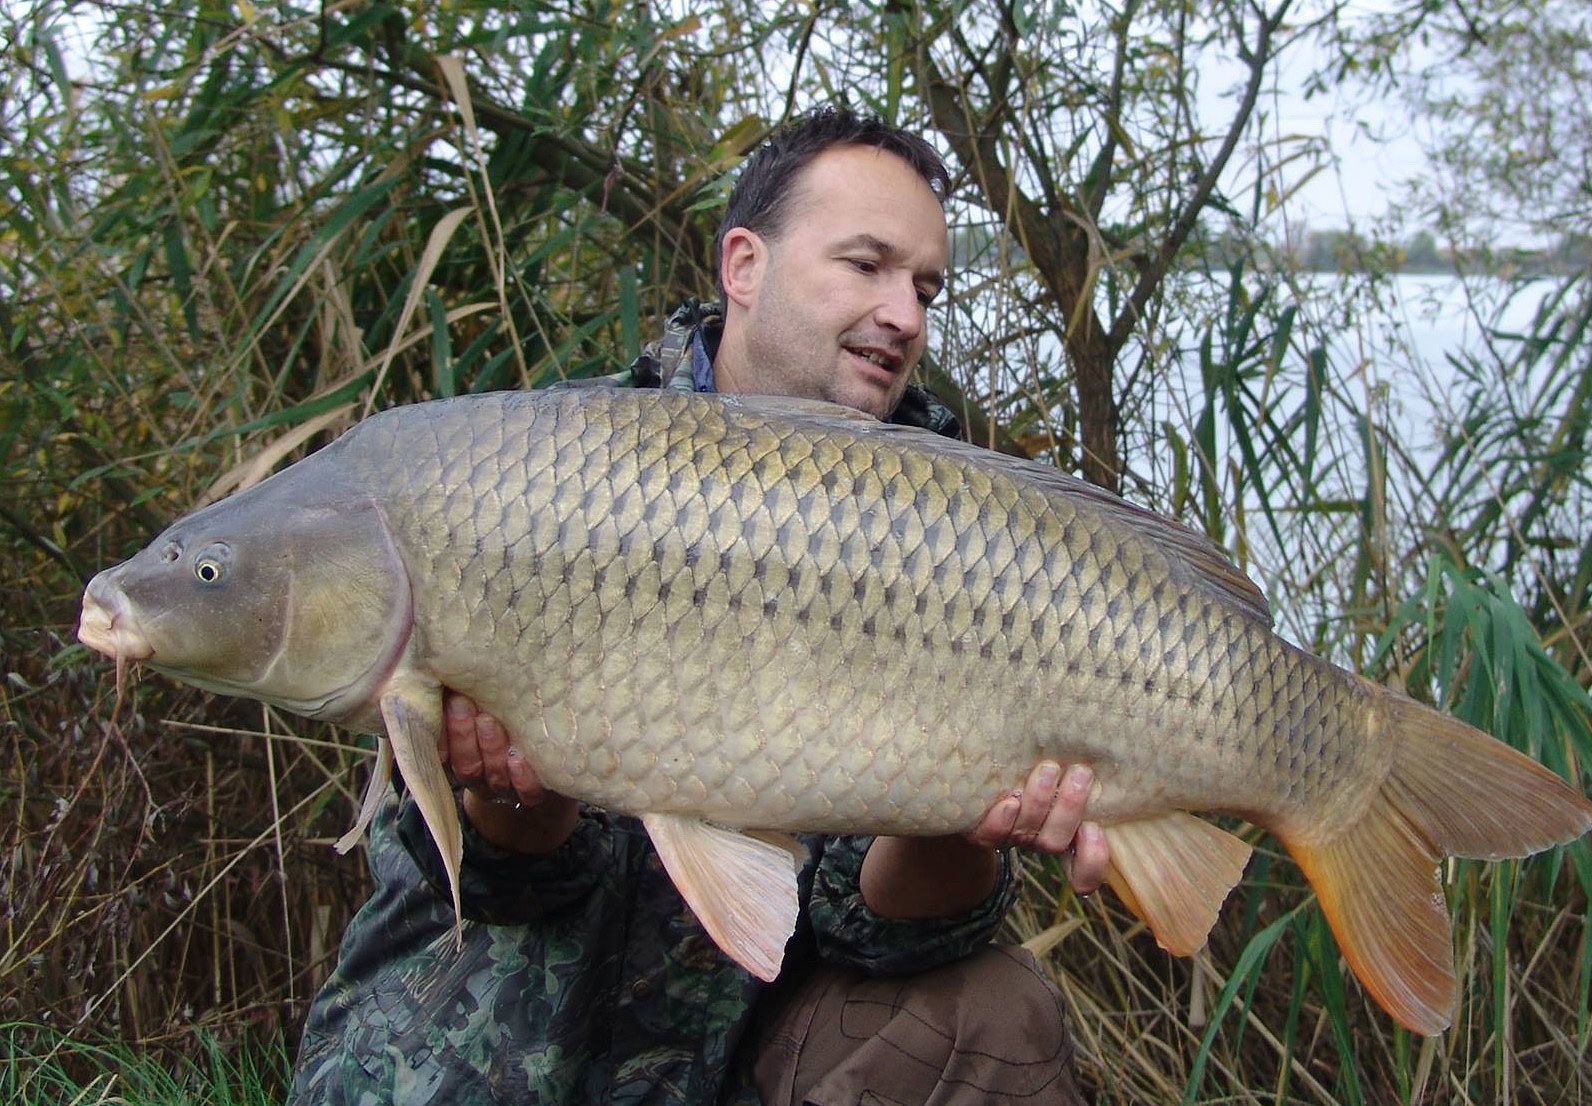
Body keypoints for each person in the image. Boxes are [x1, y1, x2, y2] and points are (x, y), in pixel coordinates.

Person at [290, 107, 1105, 1106]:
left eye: (925, 286)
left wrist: (961, 817)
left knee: (994, 1008)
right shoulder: (532, 466)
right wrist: (517, 800)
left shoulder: (952, 529)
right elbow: (479, 884)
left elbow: (878, 928)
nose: (905, 314)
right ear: (743, 266)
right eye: (866, 265)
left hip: (744, 1048)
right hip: (514, 1026)